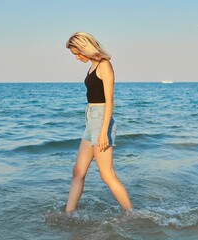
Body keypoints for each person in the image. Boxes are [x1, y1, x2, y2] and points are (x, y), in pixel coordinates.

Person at [65, 32, 132, 212]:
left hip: (101, 120)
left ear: (84, 48)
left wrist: (103, 132)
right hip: (91, 120)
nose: (77, 58)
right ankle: (67, 215)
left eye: (77, 53)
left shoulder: (104, 65)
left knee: (106, 174)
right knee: (77, 172)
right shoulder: (92, 66)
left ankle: (131, 214)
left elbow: (109, 101)